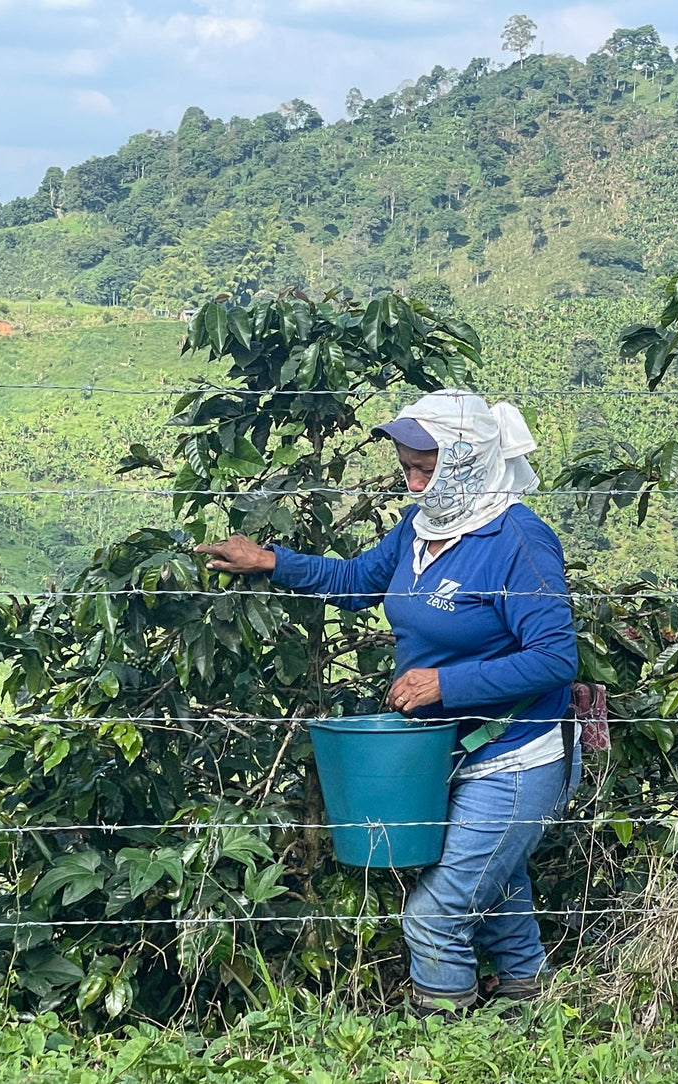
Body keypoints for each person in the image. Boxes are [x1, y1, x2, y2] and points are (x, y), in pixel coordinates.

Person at [196, 389, 579, 1014]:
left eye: (426, 470)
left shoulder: (518, 542)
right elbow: (357, 582)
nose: (413, 482)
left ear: (468, 462)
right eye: (406, 467)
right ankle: (530, 1020)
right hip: (447, 754)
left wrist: (445, 685)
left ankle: (446, 1042)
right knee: (498, 894)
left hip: (513, 754)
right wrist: (269, 561)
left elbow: (555, 659)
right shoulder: (421, 530)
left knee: (436, 913)